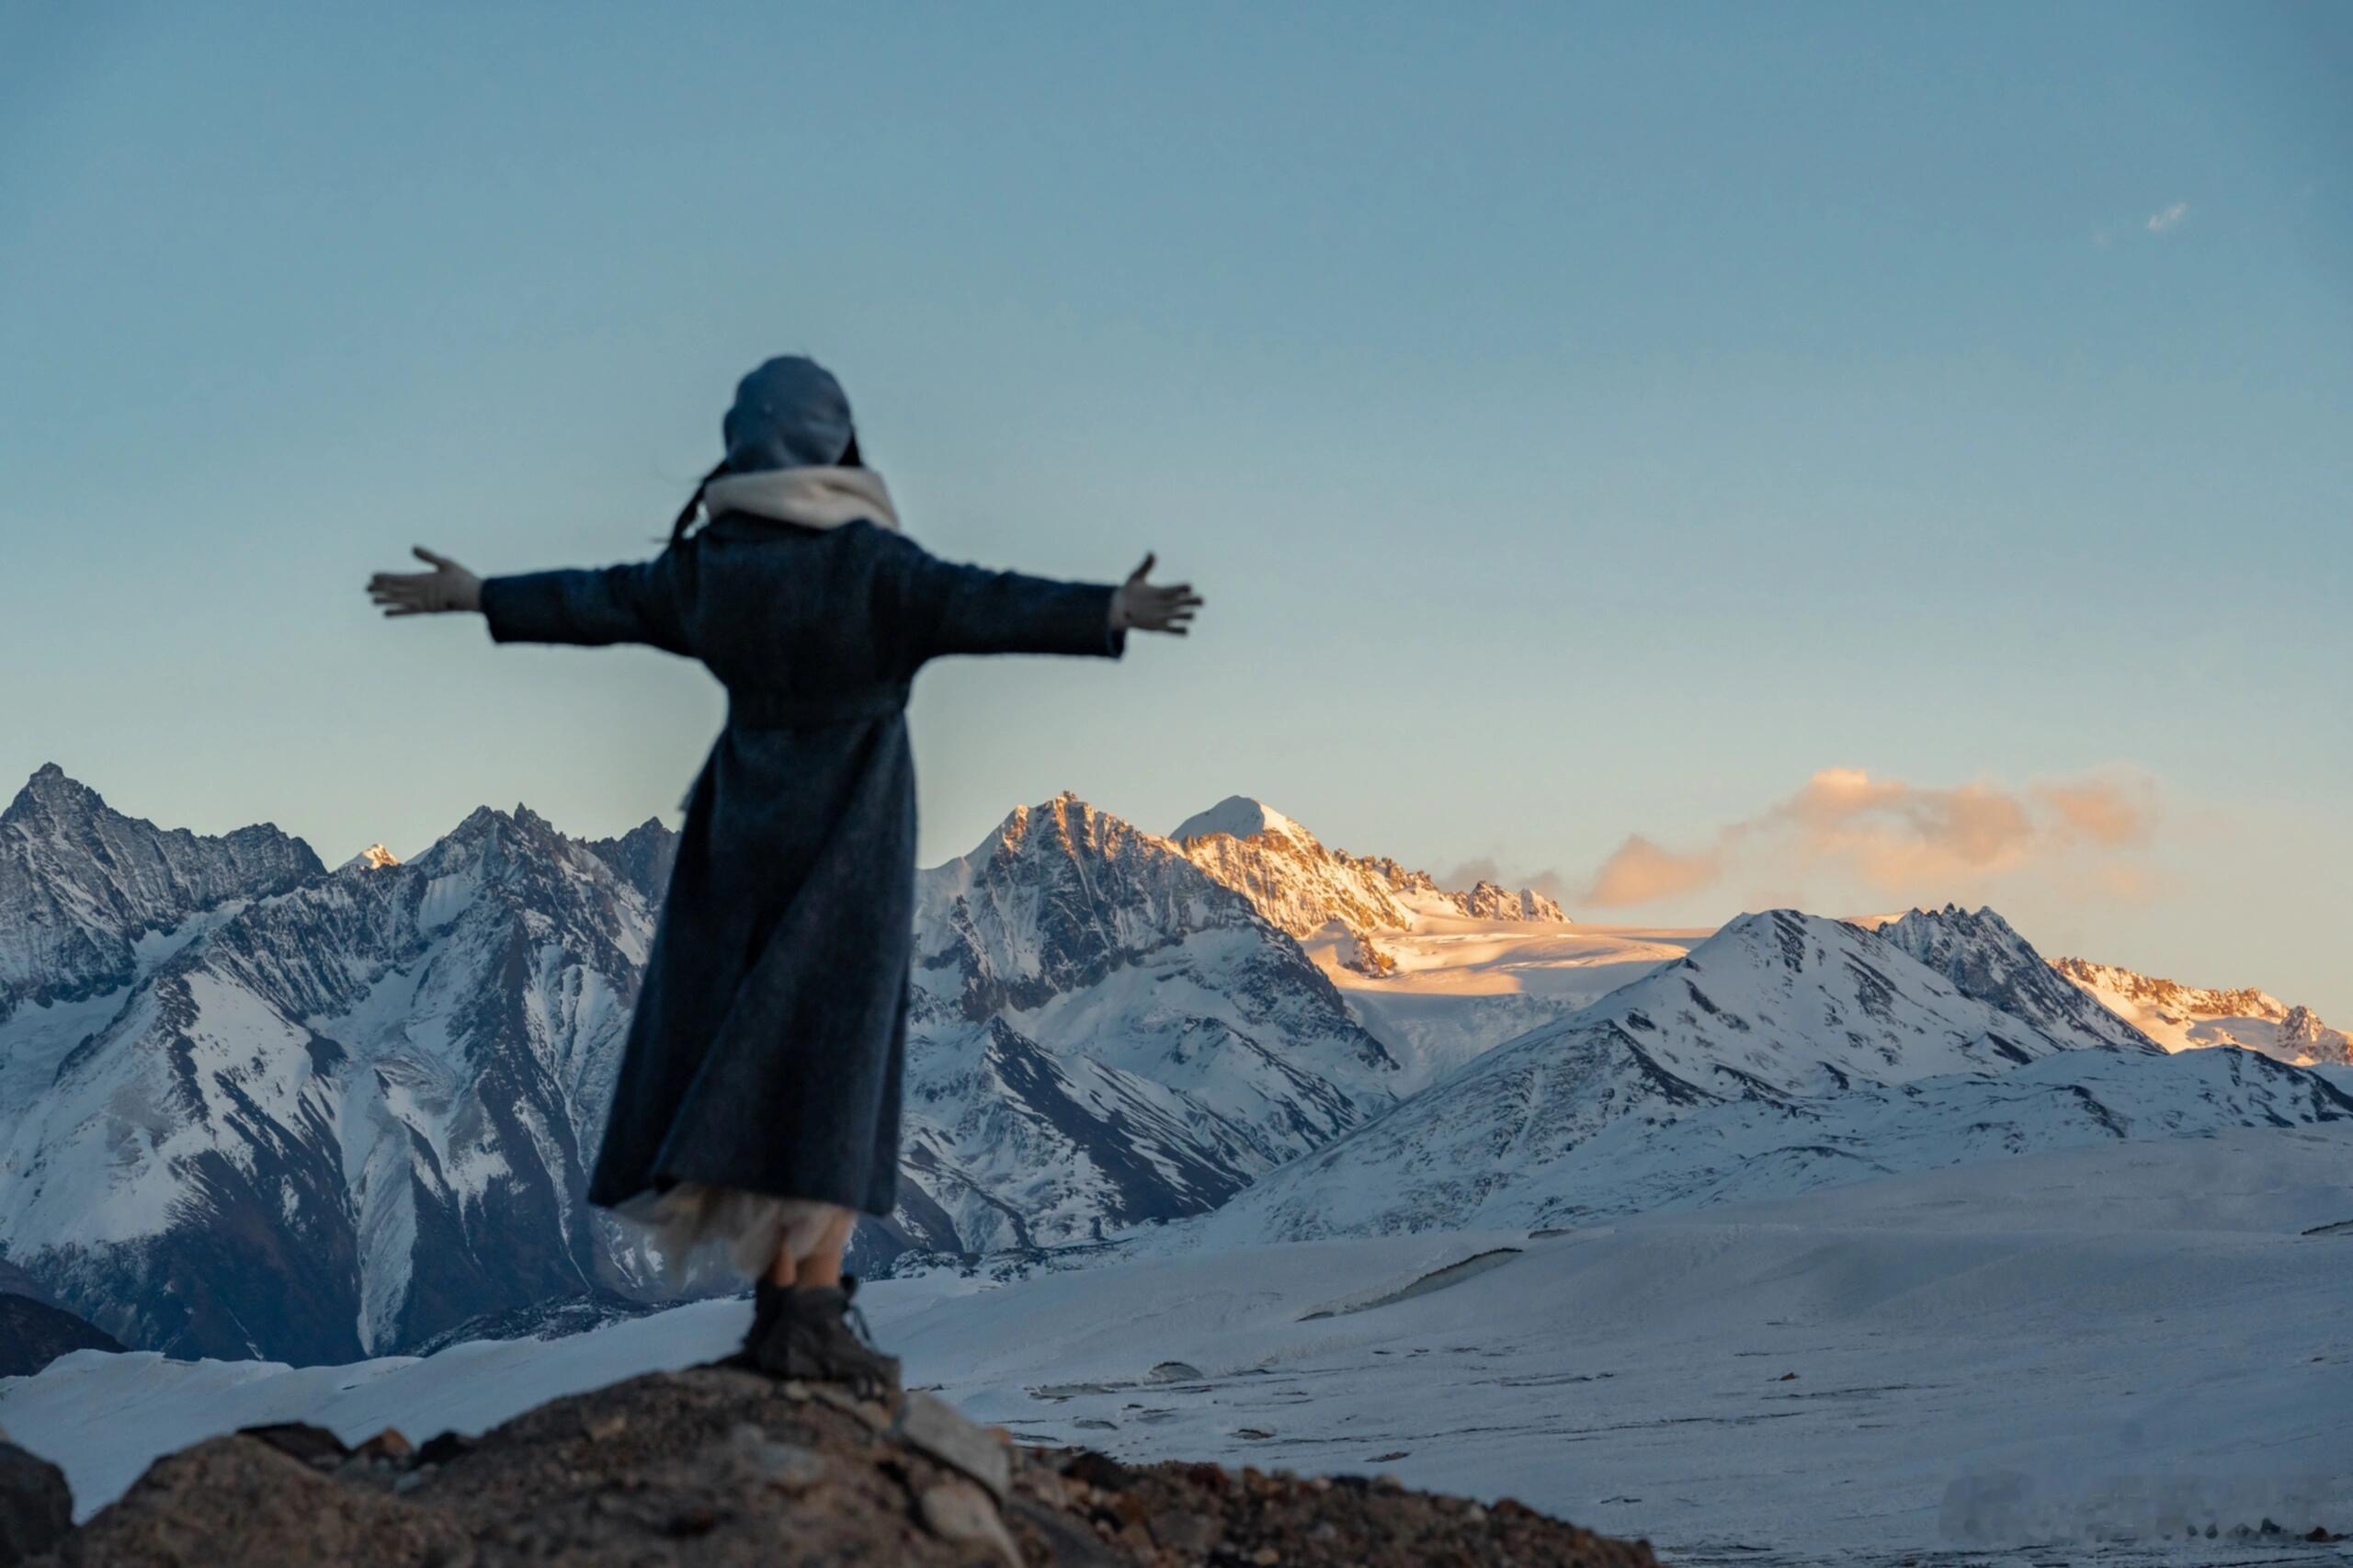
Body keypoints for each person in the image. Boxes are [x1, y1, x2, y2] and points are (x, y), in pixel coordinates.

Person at [367, 356, 1200, 1395]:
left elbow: (600, 599)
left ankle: (781, 1309)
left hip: (737, 834)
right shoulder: (875, 568)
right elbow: (991, 603)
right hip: (851, 842)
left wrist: (478, 594)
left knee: (752, 1060)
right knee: (834, 1066)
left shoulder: (712, 569)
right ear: (836, 443)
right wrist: (1106, 609)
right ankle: (813, 1307)